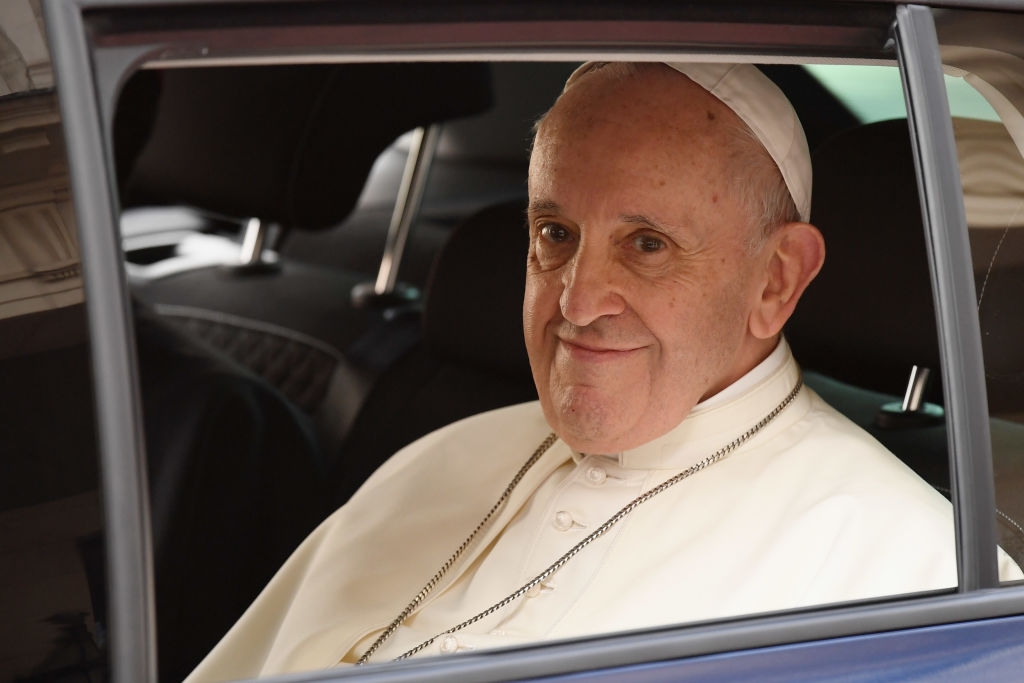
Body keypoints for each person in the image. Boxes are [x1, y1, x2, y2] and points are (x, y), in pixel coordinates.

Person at [186, 62, 1022, 681]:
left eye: (647, 244)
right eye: (555, 233)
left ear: (775, 281)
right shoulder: (436, 458)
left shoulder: (919, 581)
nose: (578, 301)